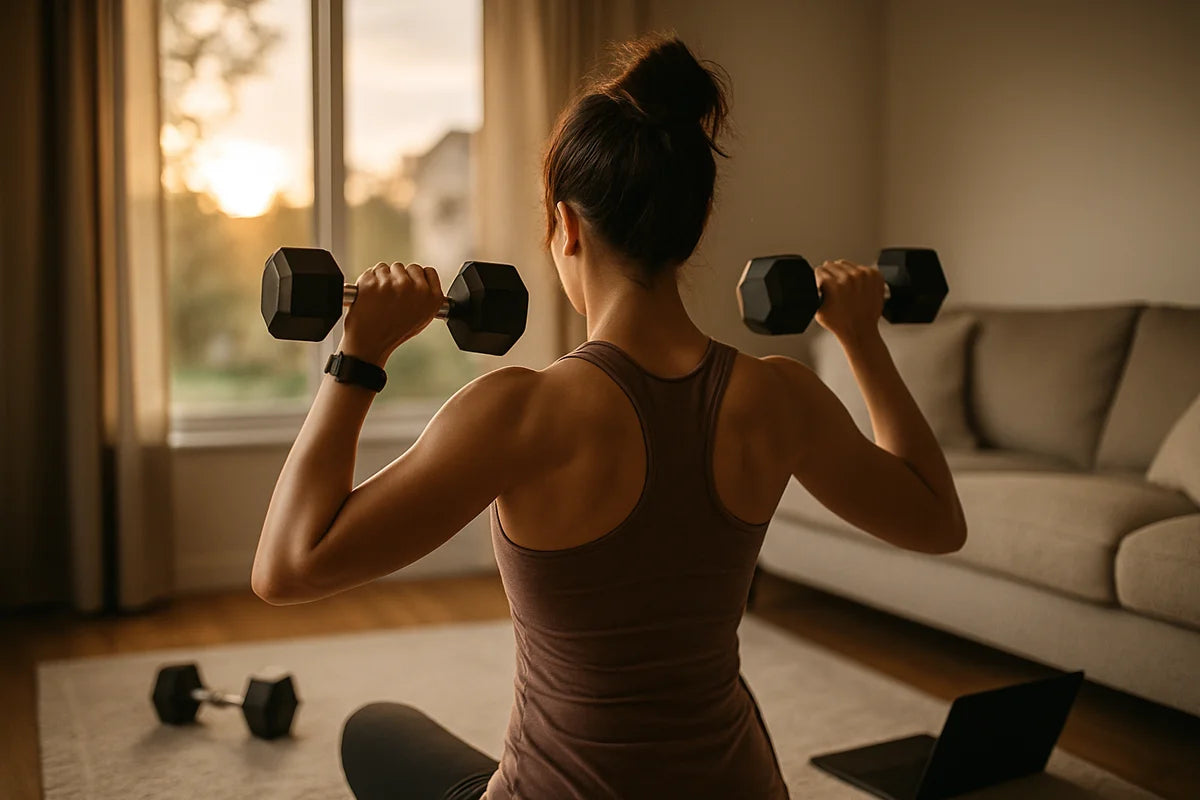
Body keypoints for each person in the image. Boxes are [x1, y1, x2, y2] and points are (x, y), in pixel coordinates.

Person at [252, 34, 967, 800]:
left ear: (566, 225)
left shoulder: (521, 412)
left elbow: (286, 569)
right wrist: (862, 340)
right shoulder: (779, 395)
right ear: (693, 223)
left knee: (376, 730)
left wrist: (359, 354)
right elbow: (937, 521)